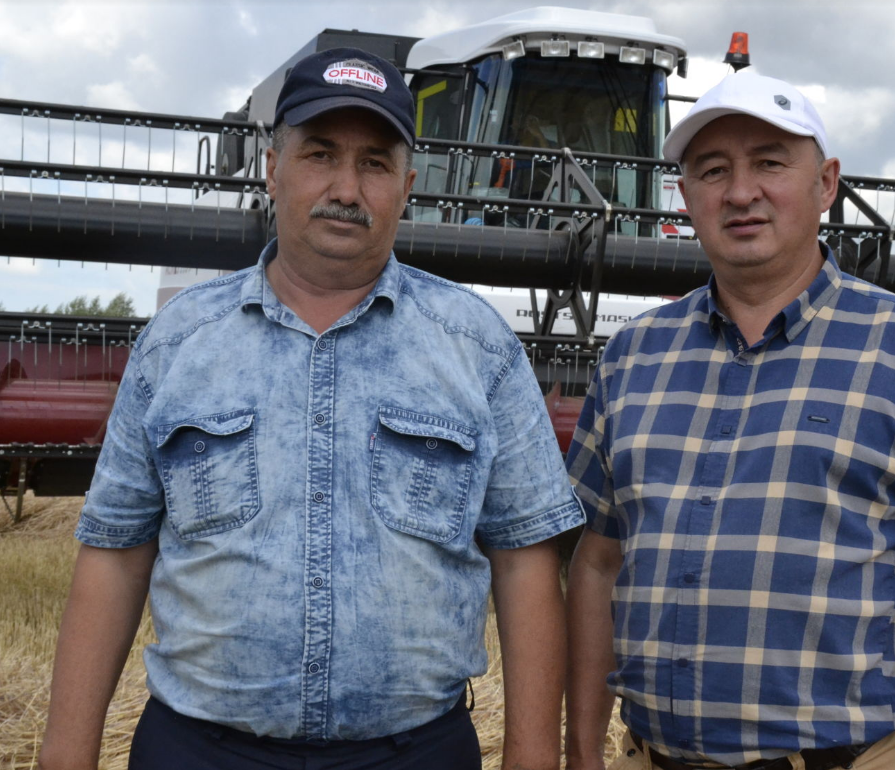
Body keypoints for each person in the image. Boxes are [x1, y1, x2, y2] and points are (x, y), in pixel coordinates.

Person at [38, 47, 584, 770]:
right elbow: (115, 554)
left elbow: (525, 562)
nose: (346, 189)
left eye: (374, 164)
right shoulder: (178, 343)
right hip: (200, 751)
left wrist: (534, 756)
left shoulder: (478, 347)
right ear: (273, 168)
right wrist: (65, 753)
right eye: (320, 154)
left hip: (414, 754)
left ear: (407, 187)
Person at [564, 73, 895, 770]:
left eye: (769, 162)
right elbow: (598, 563)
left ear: (826, 184)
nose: (740, 192)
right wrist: (581, 753)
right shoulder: (633, 356)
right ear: (686, 196)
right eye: (713, 170)